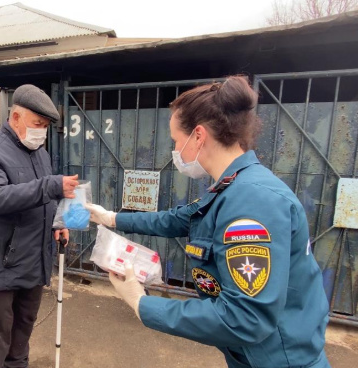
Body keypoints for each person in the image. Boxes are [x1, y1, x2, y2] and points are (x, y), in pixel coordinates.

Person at [86, 76, 331, 368]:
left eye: (176, 140)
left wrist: (142, 304)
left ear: (199, 136)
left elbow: (246, 318)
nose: (175, 151)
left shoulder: (251, 201)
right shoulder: (234, 186)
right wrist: (110, 217)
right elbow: (179, 220)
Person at [0, 84, 79, 368]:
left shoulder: (39, 153)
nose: (41, 132)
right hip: (1, 263)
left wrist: (58, 221)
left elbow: (43, 199)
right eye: (37, 124)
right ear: (16, 117)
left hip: (34, 261)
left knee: (22, 336)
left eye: (45, 126)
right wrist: (52, 185)